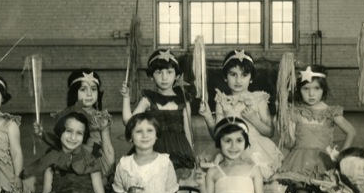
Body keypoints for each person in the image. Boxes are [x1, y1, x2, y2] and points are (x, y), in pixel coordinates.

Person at [277, 65, 356, 193]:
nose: (311, 94)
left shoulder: (331, 112)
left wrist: (341, 156)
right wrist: (284, 124)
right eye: (306, 89)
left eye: (316, 89)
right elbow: (290, 143)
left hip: (324, 165)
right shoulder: (295, 112)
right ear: (299, 90)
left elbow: (351, 131)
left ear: (323, 89)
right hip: (300, 163)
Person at [199, 49, 283, 181]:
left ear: (251, 78)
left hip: (254, 150)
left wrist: (254, 119)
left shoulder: (258, 99)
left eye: (244, 75)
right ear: (225, 77)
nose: (238, 80)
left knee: (254, 185)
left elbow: (270, 132)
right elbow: (217, 136)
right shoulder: (222, 101)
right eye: (233, 74)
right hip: (229, 149)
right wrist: (208, 117)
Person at [121, 48, 195, 180]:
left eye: (169, 72)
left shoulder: (183, 101)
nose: (164, 77)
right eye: (159, 72)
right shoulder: (148, 100)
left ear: (177, 75)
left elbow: (188, 132)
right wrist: (126, 98)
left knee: (175, 188)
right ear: (151, 76)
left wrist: (192, 155)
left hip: (180, 150)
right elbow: (129, 122)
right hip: (154, 149)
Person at [34, 69, 115, 181]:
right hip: (69, 162)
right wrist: (42, 134)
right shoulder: (66, 116)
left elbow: (108, 147)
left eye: (93, 89)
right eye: (83, 89)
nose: (89, 94)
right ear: (74, 92)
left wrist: (110, 170)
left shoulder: (101, 118)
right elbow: (58, 143)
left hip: (93, 163)